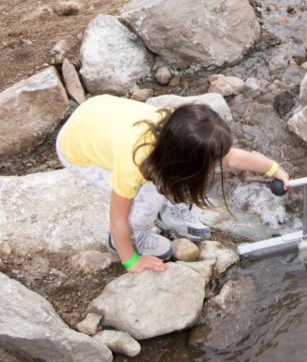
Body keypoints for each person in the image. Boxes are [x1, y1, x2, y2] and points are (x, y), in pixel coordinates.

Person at [56, 95, 289, 273]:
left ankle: (170, 211)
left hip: (96, 112)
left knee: (172, 181)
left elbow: (231, 158)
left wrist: (272, 168)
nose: (217, 163)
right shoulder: (134, 164)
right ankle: (137, 237)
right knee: (149, 198)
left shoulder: (176, 134)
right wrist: (130, 260)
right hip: (76, 148)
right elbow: (118, 219)